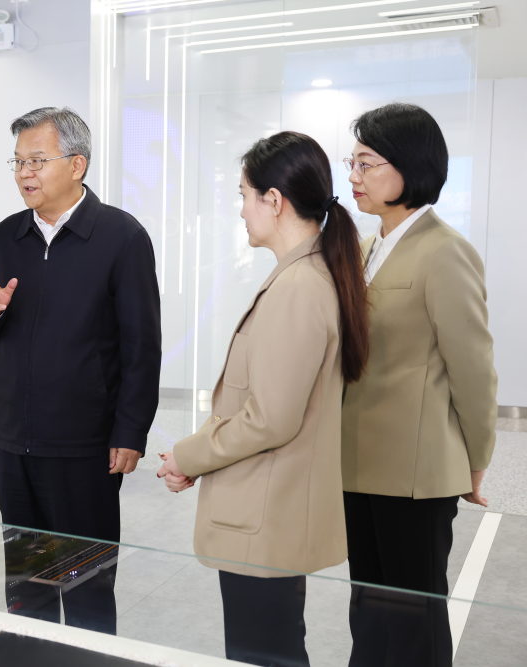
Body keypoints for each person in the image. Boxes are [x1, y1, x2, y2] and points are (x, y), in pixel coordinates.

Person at [157, 131, 369, 667]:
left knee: (264, 654)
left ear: (274, 200)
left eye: (245, 195)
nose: (242, 209)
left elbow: (269, 419)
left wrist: (187, 455)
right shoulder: (308, 274)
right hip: (269, 510)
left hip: (265, 514)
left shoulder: (298, 287)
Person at [0, 107, 161, 635]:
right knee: (25, 582)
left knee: (86, 583)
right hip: (12, 439)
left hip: (84, 444)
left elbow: (142, 345)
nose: (24, 173)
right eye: (18, 161)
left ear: (77, 165)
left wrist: (131, 431)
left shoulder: (121, 237)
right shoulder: (3, 237)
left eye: (37, 160)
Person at [340, 103, 497, 667]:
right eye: (352, 163)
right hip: (358, 462)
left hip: (414, 472)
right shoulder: (365, 249)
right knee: (369, 611)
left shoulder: (445, 251)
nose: (354, 176)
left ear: (408, 167)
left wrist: (476, 458)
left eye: (366, 163)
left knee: (414, 622)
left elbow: (472, 368)